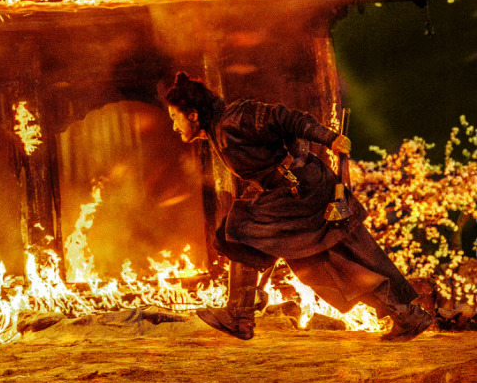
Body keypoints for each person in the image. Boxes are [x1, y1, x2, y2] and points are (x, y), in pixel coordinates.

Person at [164, 71, 432, 342]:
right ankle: (407, 316)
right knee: (320, 267)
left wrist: (330, 138)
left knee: (240, 229)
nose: (174, 126)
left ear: (193, 115)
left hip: (303, 190)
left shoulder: (236, 118)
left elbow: (288, 119)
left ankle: (240, 315)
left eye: (175, 117)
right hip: (293, 193)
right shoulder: (219, 130)